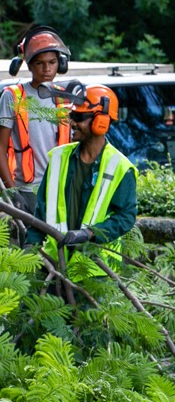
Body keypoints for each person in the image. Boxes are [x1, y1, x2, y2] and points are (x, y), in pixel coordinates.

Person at [26, 84, 138, 279]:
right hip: (54, 264)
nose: (72, 122)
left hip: (95, 272)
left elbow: (125, 217)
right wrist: (30, 246)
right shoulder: (59, 158)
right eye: (72, 116)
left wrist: (90, 234)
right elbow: (42, 211)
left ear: (101, 122)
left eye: (78, 117)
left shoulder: (120, 167)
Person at [0, 26, 73, 214]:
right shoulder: (12, 96)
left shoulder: (65, 97)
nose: (47, 69)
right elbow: (0, 148)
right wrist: (12, 192)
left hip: (61, 186)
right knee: (31, 243)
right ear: (29, 65)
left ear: (61, 64)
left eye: (52, 62)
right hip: (27, 189)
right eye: (40, 63)